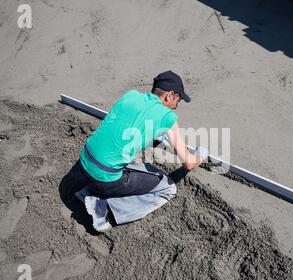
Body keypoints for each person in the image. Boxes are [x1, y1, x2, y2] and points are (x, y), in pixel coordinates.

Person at [75, 70, 208, 232]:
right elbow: (188, 163)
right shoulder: (167, 116)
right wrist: (200, 155)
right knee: (167, 187)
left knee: (125, 160)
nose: (176, 107)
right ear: (169, 95)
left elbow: (124, 126)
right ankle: (102, 206)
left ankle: (88, 191)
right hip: (103, 179)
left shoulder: (130, 95)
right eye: (178, 100)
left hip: (83, 164)